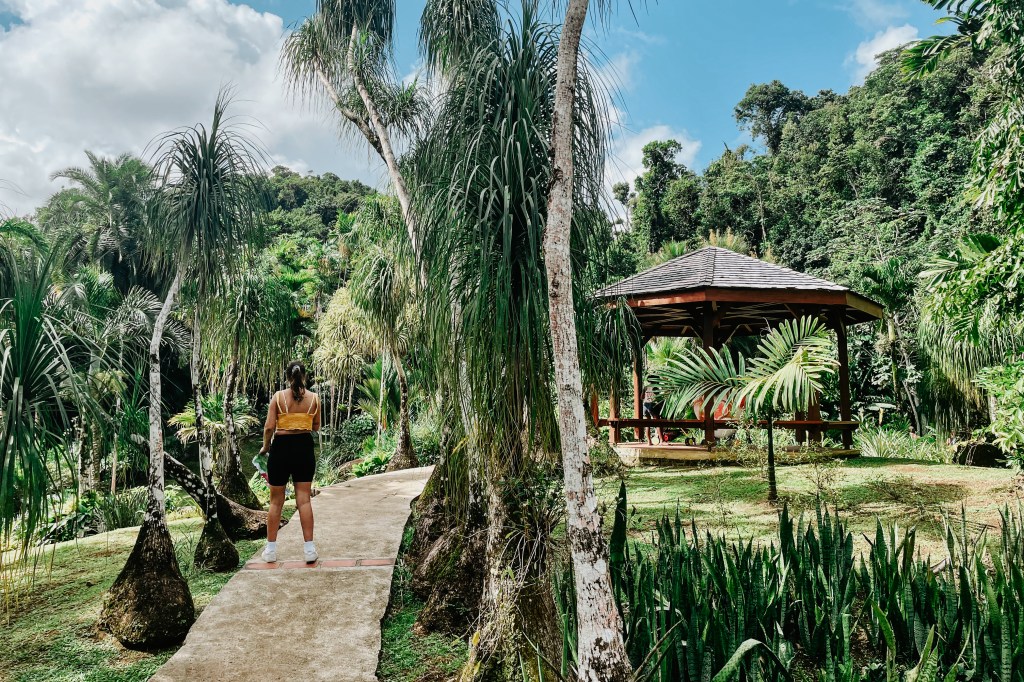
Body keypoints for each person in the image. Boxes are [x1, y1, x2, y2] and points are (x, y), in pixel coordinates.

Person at [260, 361, 321, 564]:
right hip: (304, 448)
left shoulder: (278, 397)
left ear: (288, 377)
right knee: (303, 499)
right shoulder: (314, 399)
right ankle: (309, 549)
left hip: (281, 449)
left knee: (276, 501)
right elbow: (316, 427)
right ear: (304, 376)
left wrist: (265, 447)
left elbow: (269, 427)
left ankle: (270, 551)